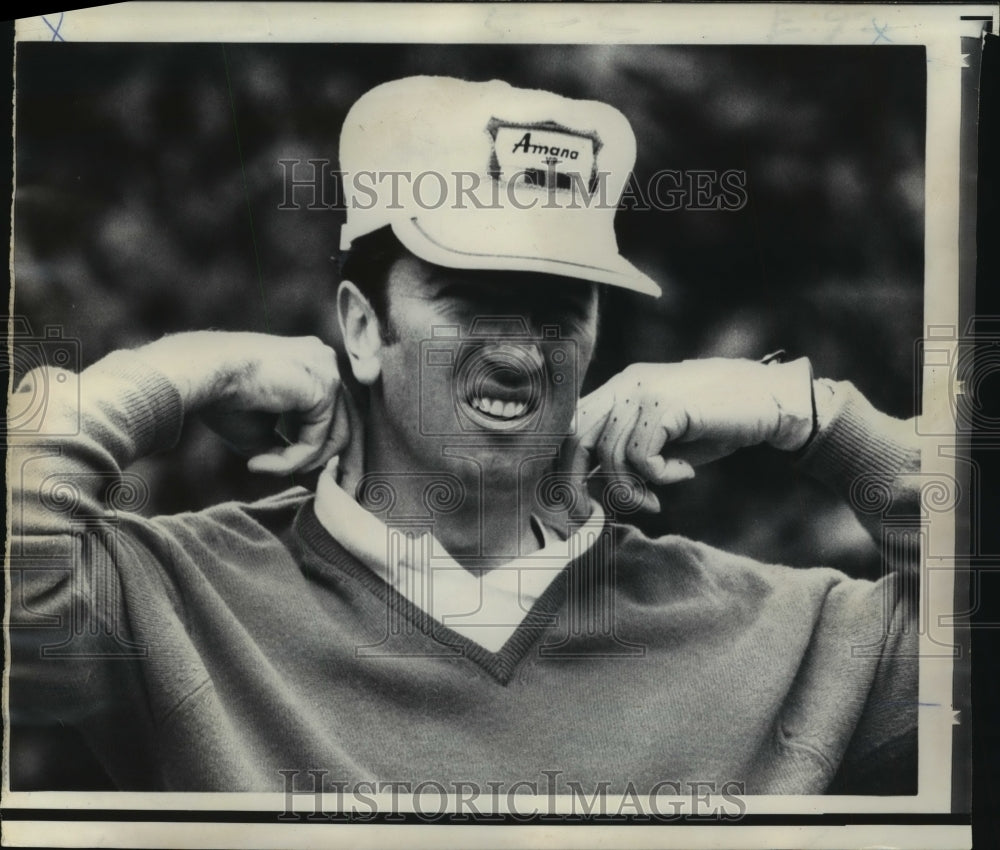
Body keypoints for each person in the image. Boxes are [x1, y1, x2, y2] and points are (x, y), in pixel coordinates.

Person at [9, 76, 919, 798]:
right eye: (471, 298)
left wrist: (809, 414)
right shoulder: (179, 601)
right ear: (362, 327)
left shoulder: (773, 633)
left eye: (559, 309)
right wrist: (187, 368)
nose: (520, 354)